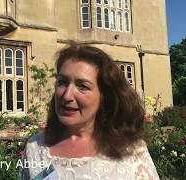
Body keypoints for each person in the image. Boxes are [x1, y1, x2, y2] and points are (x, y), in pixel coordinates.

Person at [20, 42, 159, 179]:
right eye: (62, 82)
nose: (67, 95)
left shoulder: (131, 150)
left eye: (82, 86)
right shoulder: (35, 147)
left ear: (104, 96)